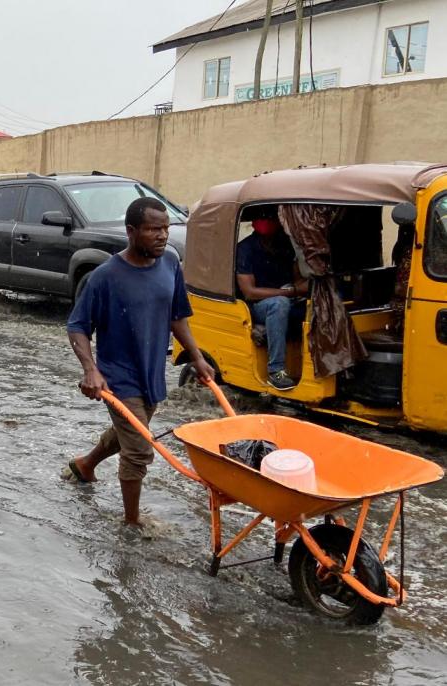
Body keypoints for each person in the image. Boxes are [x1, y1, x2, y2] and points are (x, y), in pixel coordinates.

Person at [64, 197, 215, 527]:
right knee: (139, 450)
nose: (162, 235)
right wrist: (91, 370)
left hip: (151, 372)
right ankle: (131, 523)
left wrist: (198, 358)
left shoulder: (171, 263)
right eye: (153, 229)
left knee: (132, 431)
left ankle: (86, 465)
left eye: (166, 228)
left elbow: (177, 317)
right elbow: (77, 325)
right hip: (118, 377)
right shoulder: (105, 277)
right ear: (131, 231)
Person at [235, 215, 307, 391]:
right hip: (257, 306)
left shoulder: (286, 245)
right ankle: (276, 370)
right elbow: (249, 292)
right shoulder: (245, 249)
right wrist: (288, 292)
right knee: (279, 304)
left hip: (288, 299)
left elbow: (299, 280)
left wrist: (299, 289)